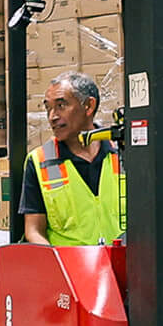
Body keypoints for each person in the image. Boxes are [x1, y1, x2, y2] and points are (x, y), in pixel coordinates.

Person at [18, 70, 126, 247]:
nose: (52, 116)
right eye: (48, 108)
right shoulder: (39, 161)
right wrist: (59, 265)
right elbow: (33, 230)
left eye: (61, 106)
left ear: (89, 106)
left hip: (124, 266)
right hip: (70, 269)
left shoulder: (122, 153)